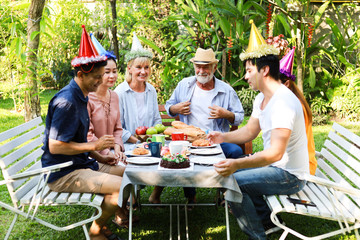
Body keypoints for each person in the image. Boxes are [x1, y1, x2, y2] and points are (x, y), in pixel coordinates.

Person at [208, 20, 309, 240]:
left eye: (248, 70)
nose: (245, 76)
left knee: (233, 182)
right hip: (276, 168)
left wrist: (237, 163)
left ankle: (258, 236)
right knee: (234, 176)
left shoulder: (283, 102)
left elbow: (275, 154)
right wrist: (222, 136)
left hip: (289, 175)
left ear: (264, 70)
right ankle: (267, 221)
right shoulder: (262, 98)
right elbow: (249, 132)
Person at [41, 26, 126, 240]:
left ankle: (106, 221)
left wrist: (100, 156)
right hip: (63, 173)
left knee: (128, 173)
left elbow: (77, 140)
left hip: (82, 164)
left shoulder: (82, 94)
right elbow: (55, 146)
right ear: (81, 74)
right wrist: (93, 147)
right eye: (97, 77)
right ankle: (96, 231)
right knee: (121, 186)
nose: (100, 81)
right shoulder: (67, 102)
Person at [154, 47, 245, 206]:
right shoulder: (185, 85)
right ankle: (191, 197)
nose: (201, 70)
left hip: (216, 140)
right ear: (194, 67)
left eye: (206, 66)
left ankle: (228, 192)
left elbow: (239, 117)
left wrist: (226, 114)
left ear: (214, 68)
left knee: (236, 151)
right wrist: (175, 109)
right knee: (177, 153)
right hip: (188, 140)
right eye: (198, 66)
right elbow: (169, 106)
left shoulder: (226, 90)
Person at [114, 32, 161, 151]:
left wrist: (152, 140)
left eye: (146, 67)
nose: (143, 71)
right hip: (128, 147)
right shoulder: (120, 92)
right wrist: (138, 142)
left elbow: (156, 120)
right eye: (138, 67)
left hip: (151, 145)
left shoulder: (151, 90)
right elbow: (117, 126)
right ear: (129, 69)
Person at [87, 34, 126, 171]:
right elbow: (88, 134)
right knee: (125, 171)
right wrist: (106, 153)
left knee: (131, 167)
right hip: (93, 156)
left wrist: (117, 148)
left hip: (112, 153)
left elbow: (117, 129)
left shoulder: (114, 96)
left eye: (114, 71)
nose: (112, 76)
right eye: (107, 72)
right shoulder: (88, 99)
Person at [279, 47, 317, 175]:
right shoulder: (292, 101)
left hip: (302, 168)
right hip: (295, 163)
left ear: (287, 84)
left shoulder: (294, 106)